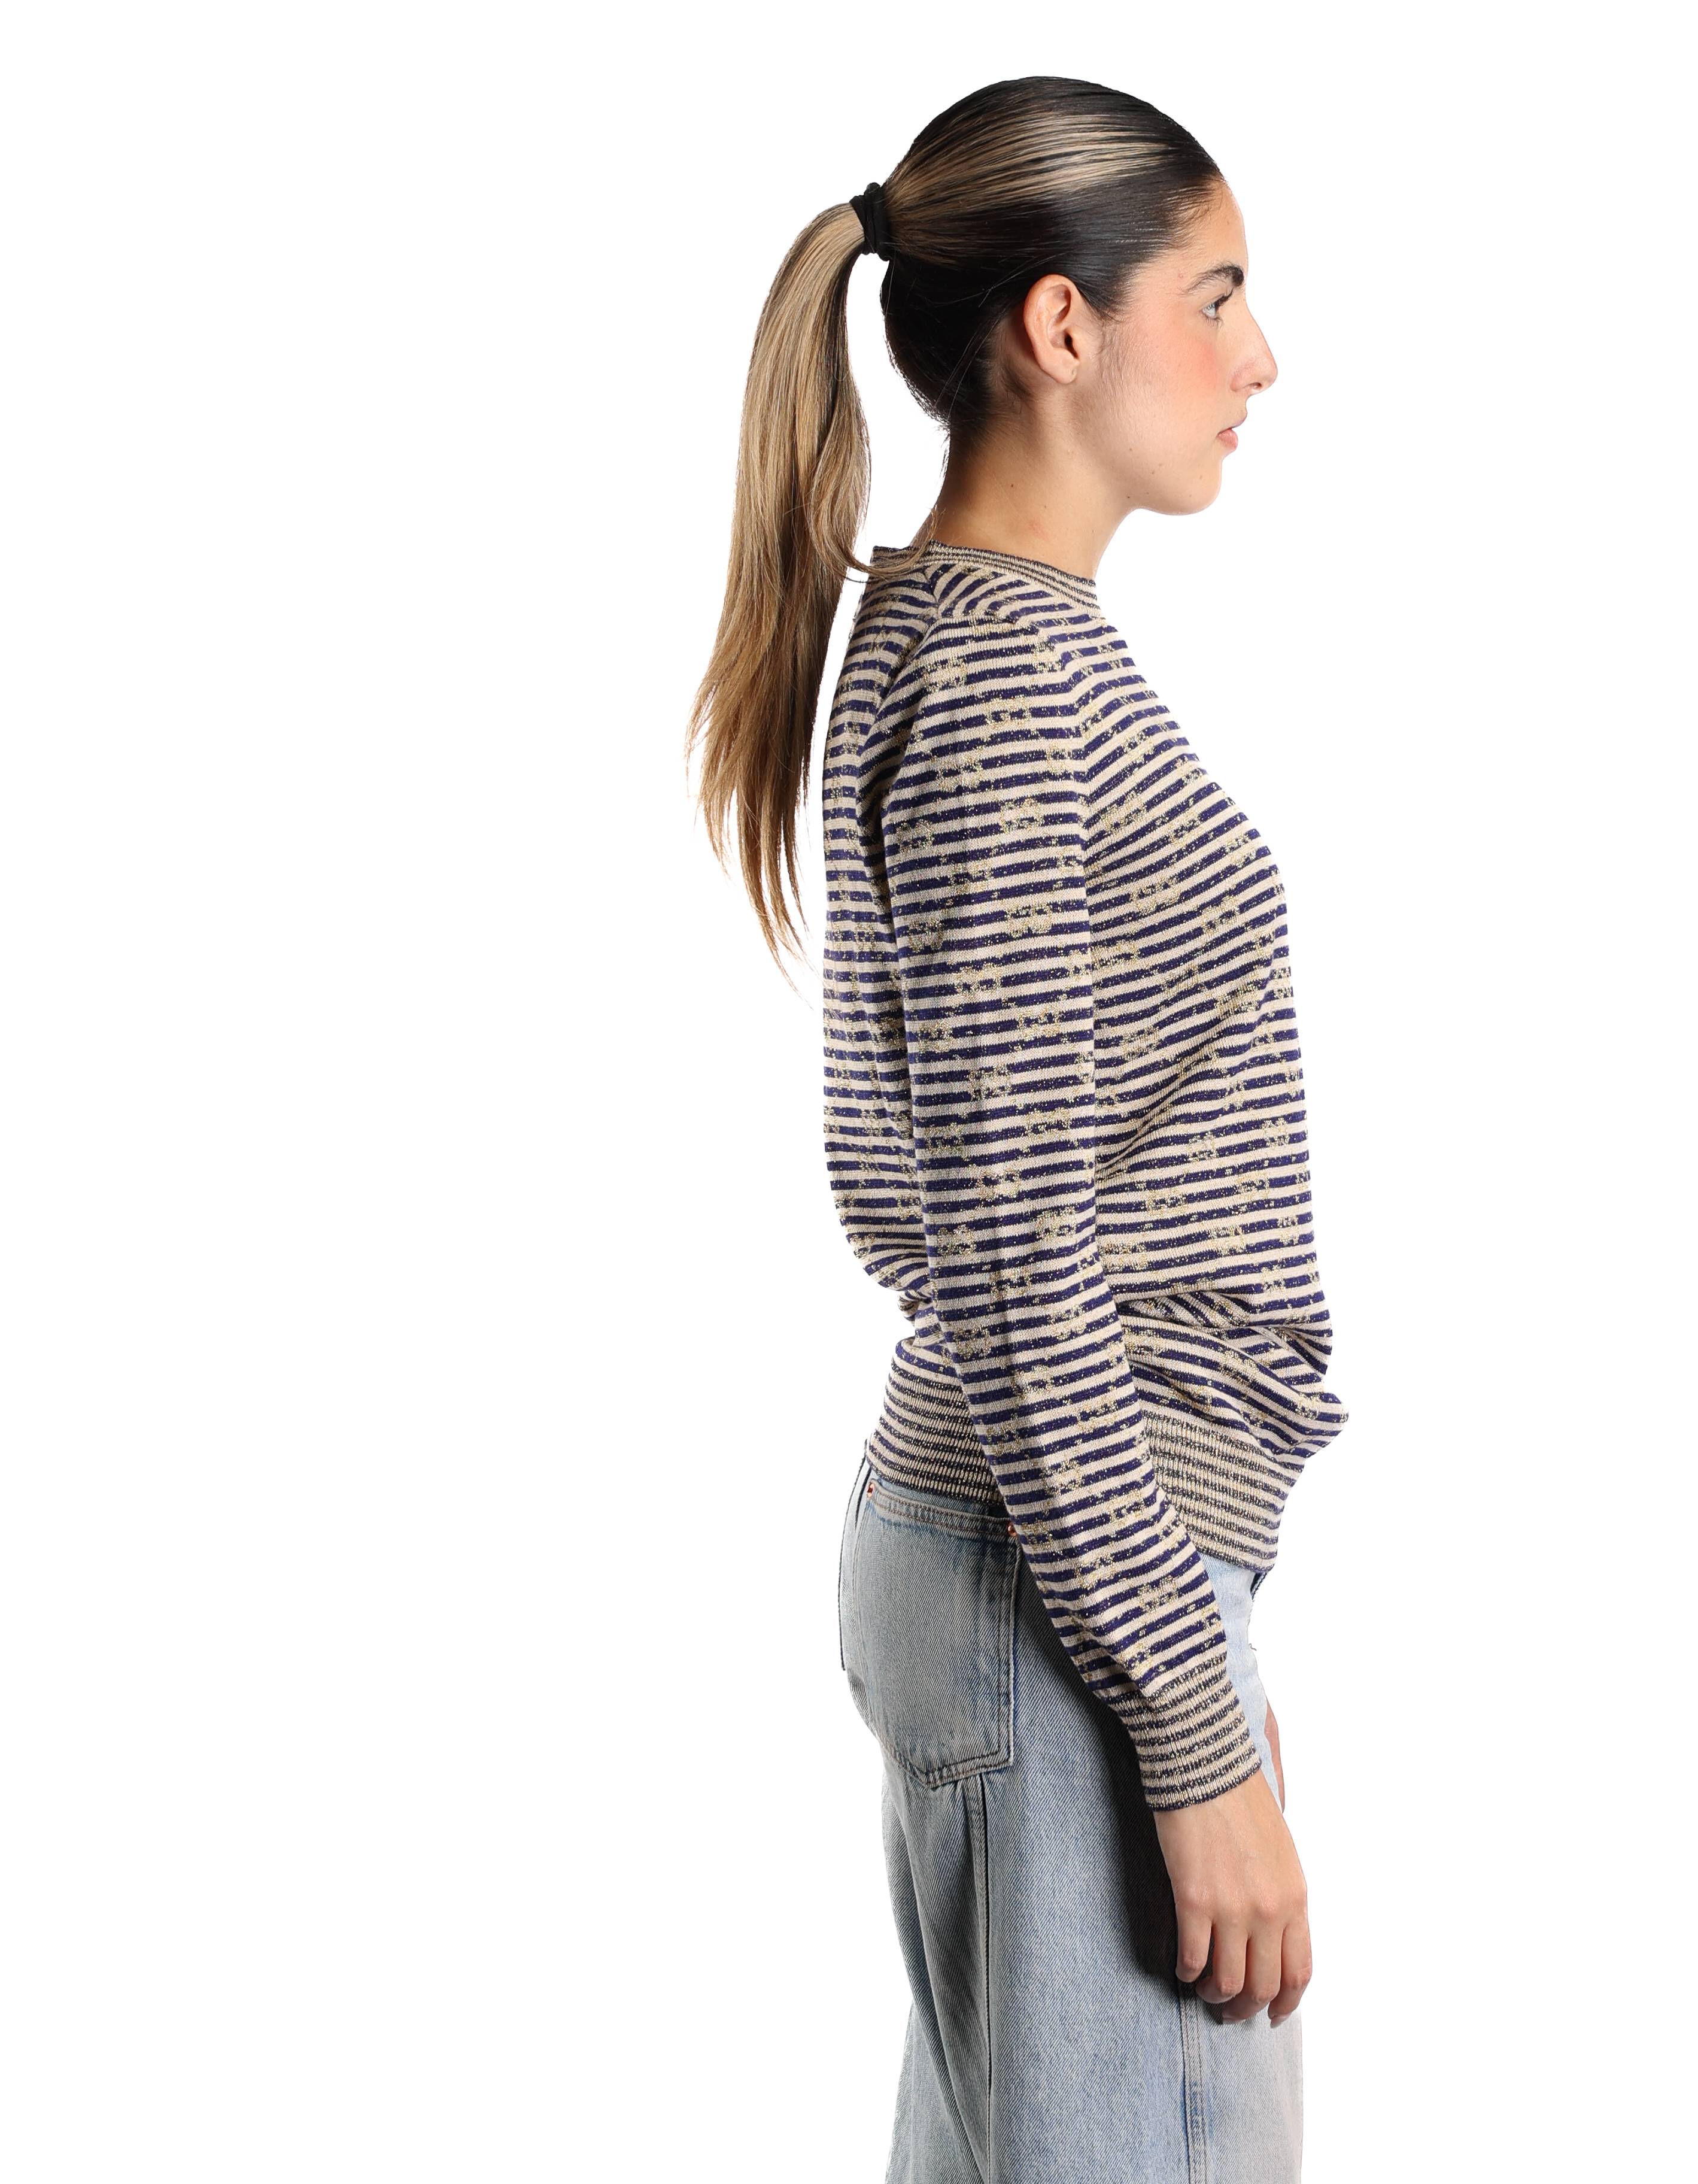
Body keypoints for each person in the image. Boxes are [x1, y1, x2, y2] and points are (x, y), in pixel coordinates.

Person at [688, 75, 1348, 2182]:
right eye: (1216, 296)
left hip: (1059, 1568)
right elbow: (1013, 1240)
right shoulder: (997, 687)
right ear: (1064, 327)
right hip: (1054, 1578)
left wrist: (1185, 1657)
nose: (1259, 357)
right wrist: (1180, 1709)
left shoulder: (980, 647)